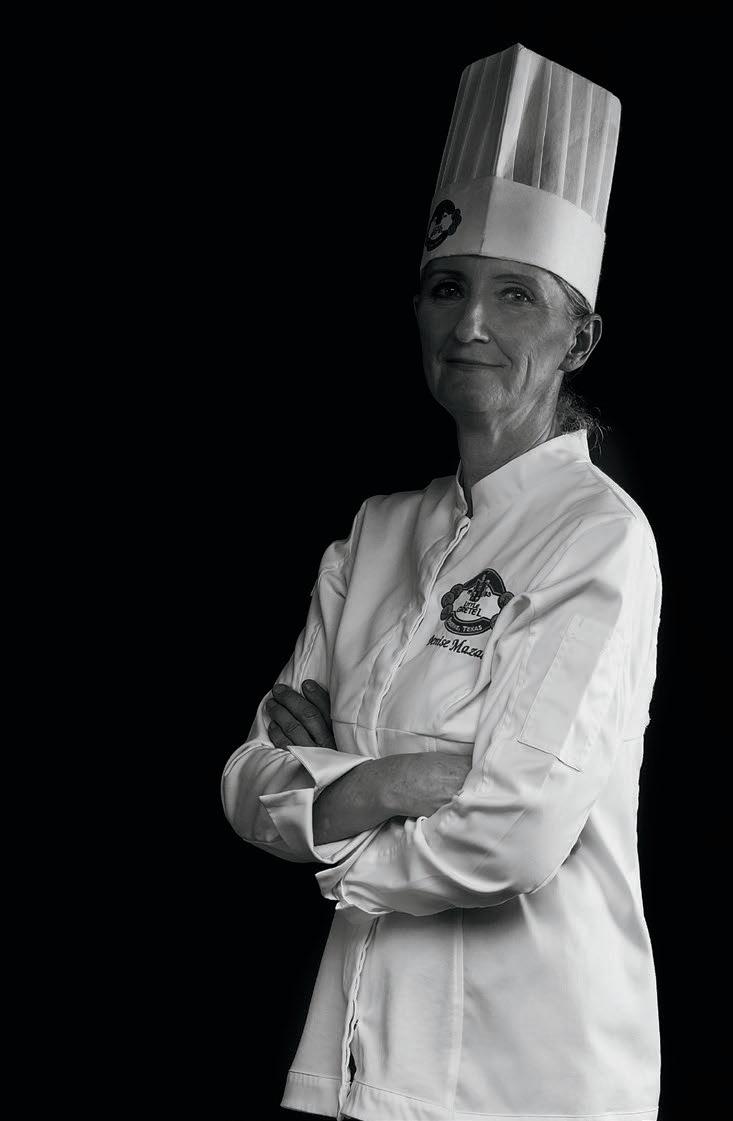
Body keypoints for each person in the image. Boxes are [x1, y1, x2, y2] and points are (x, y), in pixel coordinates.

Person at [221, 43, 662, 1121]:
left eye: (516, 296)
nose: (470, 324)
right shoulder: (374, 533)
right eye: (447, 288)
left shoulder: (597, 537)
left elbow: (512, 836)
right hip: (351, 1065)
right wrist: (387, 782)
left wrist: (323, 799)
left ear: (579, 338)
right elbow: (244, 776)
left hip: (528, 1080)